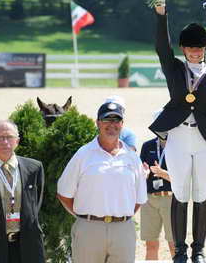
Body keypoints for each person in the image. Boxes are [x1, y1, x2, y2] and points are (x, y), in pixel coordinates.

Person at [149, 0, 206, 263]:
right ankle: (181, 250)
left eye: (199, 48)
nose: (194, 52)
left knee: (201, 193)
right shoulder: (174, 68)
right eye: (189, 48)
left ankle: (199, 249)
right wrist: (161, 11)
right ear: (183, 48)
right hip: (178, 138)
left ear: (205, 48)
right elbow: (161, 45)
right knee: (181, 193)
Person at [56, 102, 147, 263]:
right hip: (89, 229)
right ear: (98, 122)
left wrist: (120, 216)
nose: (112, 125)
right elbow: (64, 194)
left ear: (122, 124)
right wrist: (84, 216)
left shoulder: (132, 157)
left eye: (116, 120)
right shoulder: (83, 154)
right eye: (107, 119)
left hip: (123, 230)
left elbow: (139, 200)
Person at [0, 120, 45, 263]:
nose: (4, 142)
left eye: (9, 137)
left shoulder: (34, 168)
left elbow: (36, 203)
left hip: (28, 244)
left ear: (17, 141)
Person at [139, 110, 175, 260]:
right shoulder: (147, 146)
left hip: (171, 200)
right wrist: (144, 173)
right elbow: (140, 171)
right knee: (151, 245)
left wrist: (163, 173)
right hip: (149, 200)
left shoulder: (178, 147)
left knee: (174, 245)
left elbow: (185, 179)